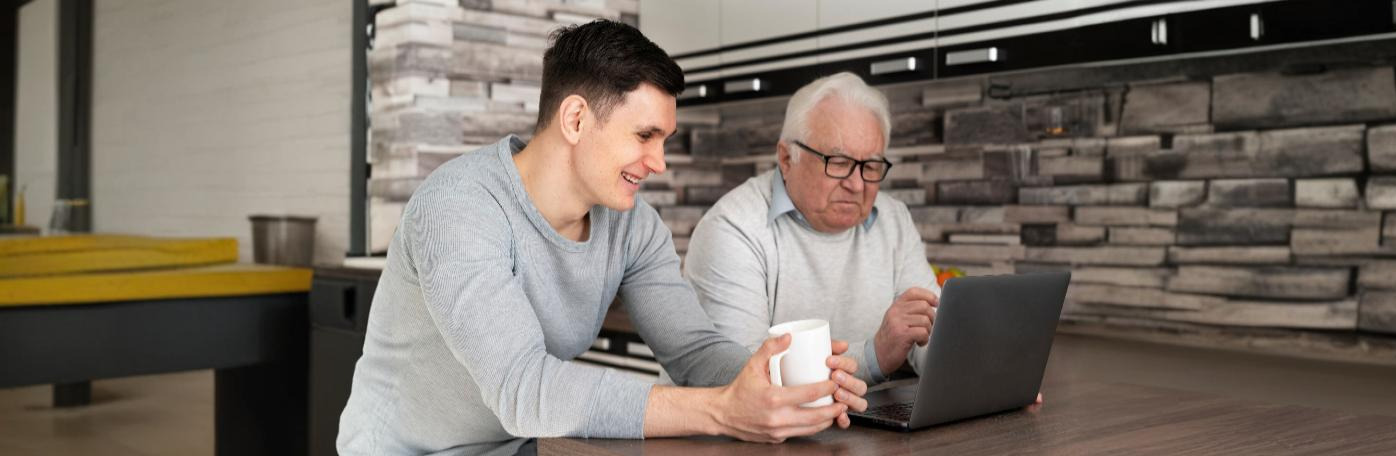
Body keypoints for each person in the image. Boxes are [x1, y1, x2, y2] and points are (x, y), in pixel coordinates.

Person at [336, 20, 867, 455]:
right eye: (644, 136)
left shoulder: (632, 225)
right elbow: (524, 389)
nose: (658, 162)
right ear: (574, 118)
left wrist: (782, 387)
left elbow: (694, 350)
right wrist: (721, 410)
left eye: (664, 139)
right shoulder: (460, 208)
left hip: (519, 449)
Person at [682, 72, 942, 386]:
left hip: (853, 426)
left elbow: (933, 337)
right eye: (838, 161)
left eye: (871, 166)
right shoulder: (733, 229)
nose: (856, 184)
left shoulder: (894, 220)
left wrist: (983, 370)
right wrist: (873, 356)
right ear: (786, 158)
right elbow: (744, 382)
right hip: (736, 434)